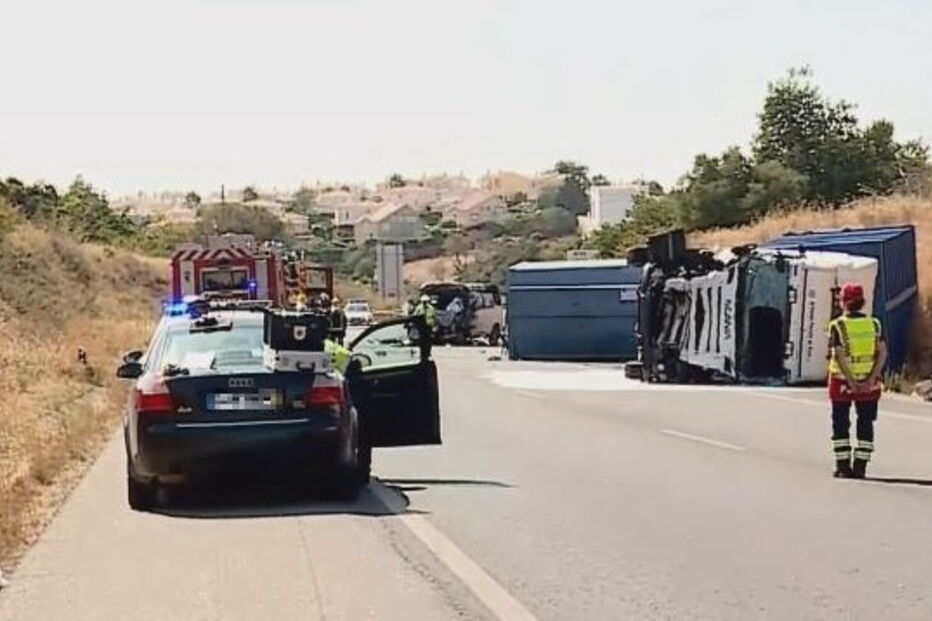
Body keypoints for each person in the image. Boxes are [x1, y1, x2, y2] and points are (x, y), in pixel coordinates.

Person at [827, 282, 888, 479]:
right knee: (866, 422)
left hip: (842, 382)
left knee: (840, 423)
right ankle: (860, 466)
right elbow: (883, 353)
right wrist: (871, 378)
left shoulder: (837, 326)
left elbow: (839, 354)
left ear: (843, 302)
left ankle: (843, 466)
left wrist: (851, 380)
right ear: (862, 302)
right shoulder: (875, 324)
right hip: (869, 383)